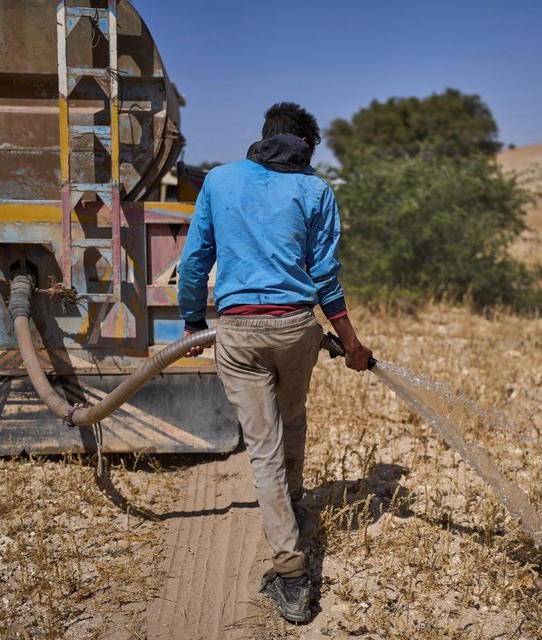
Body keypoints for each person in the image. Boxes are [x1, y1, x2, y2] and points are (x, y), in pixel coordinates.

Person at [177, 102, 373, 624]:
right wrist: (350, 341)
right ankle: (294, 502)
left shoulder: (219, 181)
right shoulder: (315, 190)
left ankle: (290, 574)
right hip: (296, 330)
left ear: (265, 136)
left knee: (262, 448)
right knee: (294, 415)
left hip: (238, 334)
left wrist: (193, 324)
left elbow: (196, 259)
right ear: (306, 145)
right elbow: (325, 277)